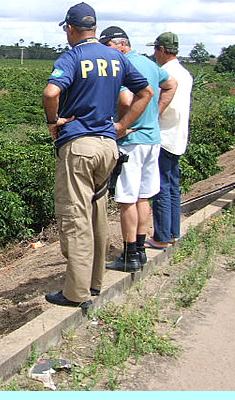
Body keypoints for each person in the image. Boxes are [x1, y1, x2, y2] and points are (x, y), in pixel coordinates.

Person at [42, 3, 153, 308]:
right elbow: (145, 93)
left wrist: (53, 123)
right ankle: (94, 283)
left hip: (79, 147)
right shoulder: (116, 57)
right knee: (97, 215)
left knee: (75, 217)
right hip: (108, 147)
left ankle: (75, 293)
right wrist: (122, 125)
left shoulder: (73, 57)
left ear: (71, 28)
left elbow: (51, 93)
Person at [100, 26, 178, 273]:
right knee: (143, 197)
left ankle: (130, 254)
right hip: (152, 140)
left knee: (126, 200)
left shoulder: (124, 65)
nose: (105, 53)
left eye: (107, 47)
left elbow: (124, 100)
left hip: (131, 143)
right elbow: (171, 85)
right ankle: (141, 250)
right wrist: (155, 114)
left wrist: (123, 125)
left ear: (120, 44)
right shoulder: (149, 64)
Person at [146, 32, 193, 249]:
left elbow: (153, 103)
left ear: (162, 50)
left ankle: (162, 237)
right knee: (173, 186)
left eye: (156, 49)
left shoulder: (162, 74)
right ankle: (173, 232)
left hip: (163, 137)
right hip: (178, 137)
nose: (154, 54)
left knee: (161, 187)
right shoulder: (185, 74)